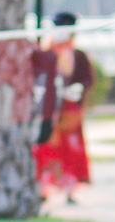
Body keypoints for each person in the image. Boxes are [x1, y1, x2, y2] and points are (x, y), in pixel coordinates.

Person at [32, 11, 95, 204]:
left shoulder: (78, 55)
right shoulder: (45, 53)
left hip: (69, 111)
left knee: (70, 149)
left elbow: (87, 79)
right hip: (48, 109)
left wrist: (78, 89)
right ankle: (42, 188)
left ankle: (69, 189)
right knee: (45, 147)